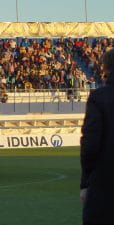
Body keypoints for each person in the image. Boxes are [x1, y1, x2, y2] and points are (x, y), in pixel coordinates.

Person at [80, 48, 114, 225]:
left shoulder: (98, 98)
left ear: (105, 69)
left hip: (104, 184)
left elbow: (89, 145)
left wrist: (85, 182)